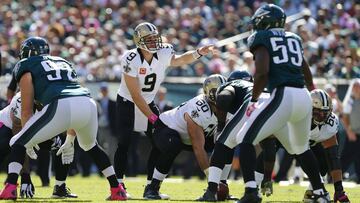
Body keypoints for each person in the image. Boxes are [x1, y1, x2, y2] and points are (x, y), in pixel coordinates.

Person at [0, 37, 126, 200]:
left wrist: (27, 139)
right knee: (91, 146)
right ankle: (117, 189)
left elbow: (26, 111)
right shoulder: (62, 62)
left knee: (17, 142)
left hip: (60, 103)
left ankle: (10, 187)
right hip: (87, 102)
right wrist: (70, 139)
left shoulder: (26, 65)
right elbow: (73, 98)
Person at [235, 4, 328, 202]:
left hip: (283, 94)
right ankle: (320, 192)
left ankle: (251, 191)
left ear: (265, 21)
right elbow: (305, 67)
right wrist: (313, 91)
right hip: (303, 96)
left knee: (245, 138)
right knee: (301, 147)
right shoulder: (294, 38)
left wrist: (253, 99)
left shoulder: (261, 38)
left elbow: (262, 71)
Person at [115, 22, 214, 198]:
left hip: (149, 100)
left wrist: (198, 53)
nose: (154, 42)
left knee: (159, 143)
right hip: (128, 102)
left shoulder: (164, 52)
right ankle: (119, 187)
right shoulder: (131, 58)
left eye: (155, 38)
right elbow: (136, 95)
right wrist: (153, 118)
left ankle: (150, 187)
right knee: (124, 143)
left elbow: (180, 60)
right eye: (149, 39)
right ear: (139, 41)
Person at [144, 74, 226, 199]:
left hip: (185, 135)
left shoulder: (224, 107)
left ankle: (223, 182)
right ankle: (152, 188)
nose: (224, 95)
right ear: (210, 92)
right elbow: (198, 148)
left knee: (223, 144)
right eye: (220, 91)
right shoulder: (199, 109)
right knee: (174, 145)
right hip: (164, 128)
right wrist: (212, 181)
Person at [0, 92, 77, 198]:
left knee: (61, 145)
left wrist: (68, 140)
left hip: (36, 129)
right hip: (7, 127)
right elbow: (20, 142)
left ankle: (60, 187)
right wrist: (25, 176)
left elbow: (68, 125)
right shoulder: (20, 101)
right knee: (4, 144)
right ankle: (12, 185)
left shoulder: (56, 99)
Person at [341, 79, 360, 184]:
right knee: (346, 156)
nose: (357, 89)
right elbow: (344, 116)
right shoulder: (350, 100)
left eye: (358, 86)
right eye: (355, 86)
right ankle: (334, 177)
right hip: (353, 134)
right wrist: (349, 131)